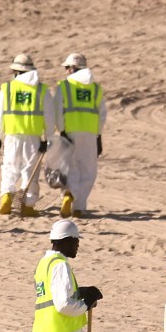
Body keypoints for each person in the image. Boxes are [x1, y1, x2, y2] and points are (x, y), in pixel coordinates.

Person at [0, 54, 49, 216]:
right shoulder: (41, 90)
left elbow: (0, 114)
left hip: (12, 136)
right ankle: (28, 206)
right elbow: (49, 116)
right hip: (34, 138)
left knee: (9, 168)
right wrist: (47, 137)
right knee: (30, 172)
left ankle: (6, 198)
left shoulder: (7, 88)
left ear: (16, 72)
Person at [52, 54, 103, 217]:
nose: (66, 71)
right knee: (87, 170)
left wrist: (61, 130)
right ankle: (79, 206)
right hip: (89, 133)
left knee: (69, 166)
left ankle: (68, 194)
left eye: (67, 68)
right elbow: (102, 115)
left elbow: (57, 110)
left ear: (73, 69)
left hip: (69, 131)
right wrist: (98, 136)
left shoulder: (64, 87)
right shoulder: (95, 89)